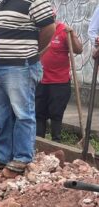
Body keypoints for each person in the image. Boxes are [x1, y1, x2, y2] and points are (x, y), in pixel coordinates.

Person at [0, 0, 55, 174]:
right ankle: (2, 155)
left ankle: (22, 157)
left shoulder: (35, 1)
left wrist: (33, 53)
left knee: (23, 114)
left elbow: (50, 28)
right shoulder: (2, 3)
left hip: (20, 66)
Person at [36, 12, 83, 143]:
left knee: (56, 115)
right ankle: (39, 143)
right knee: (39, 114)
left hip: (59, 83)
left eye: (52, 18)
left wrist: (72, 35)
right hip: (40, 81)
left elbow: (79, 50)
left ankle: (56, 143)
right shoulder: (39, 32)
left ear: (55, 19)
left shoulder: (63, 30)